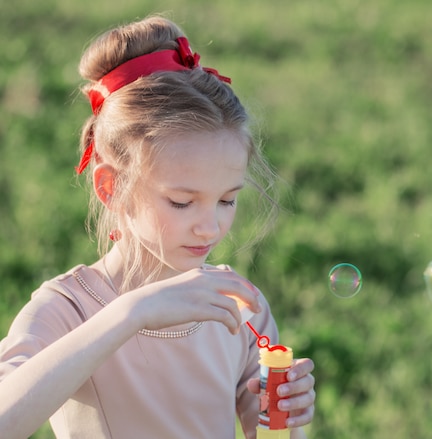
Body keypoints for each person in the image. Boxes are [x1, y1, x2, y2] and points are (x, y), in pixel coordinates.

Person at [0, 16, 315, 439]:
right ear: (112, 187)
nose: (210, 227)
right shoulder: (67, 309)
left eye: (227, 200)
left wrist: (277, 413)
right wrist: (133, 313)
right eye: (182, 202)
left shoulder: (238, 307)